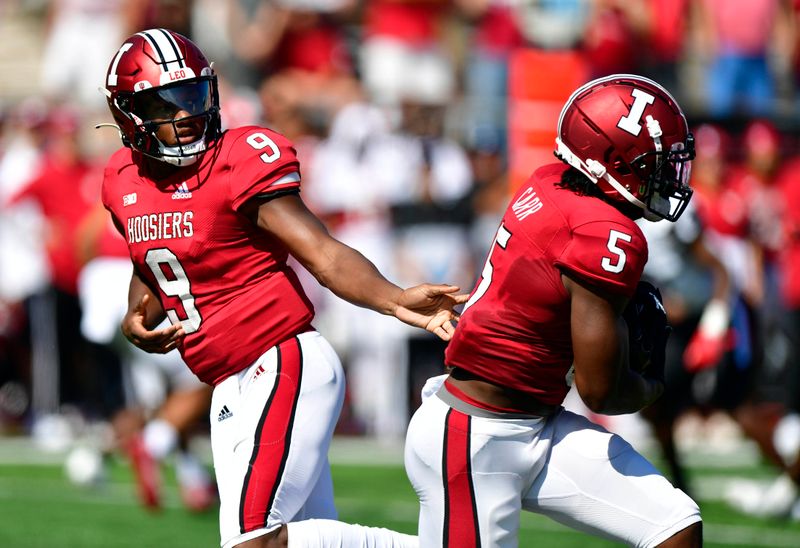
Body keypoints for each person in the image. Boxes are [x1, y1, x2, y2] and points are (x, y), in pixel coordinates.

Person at [99, 28, 466, 548]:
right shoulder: (121, 179)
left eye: (192, 96)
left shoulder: (237, 159)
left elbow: (322, 252)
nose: (184, 114)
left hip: (281, 359)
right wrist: (136, 313)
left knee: (254, 541)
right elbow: (156, 257)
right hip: (227, 383)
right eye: (164, 103)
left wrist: (394, 299)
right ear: (128, 114)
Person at [404, 74, 704, 547]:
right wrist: (654, 384)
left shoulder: (549, 181)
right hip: (477, 434)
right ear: (611, 162)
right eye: (654, 164)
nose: (665, 177)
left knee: (674, 525)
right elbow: (602, 392)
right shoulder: (606, 232)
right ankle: (289, 541)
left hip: (536, 423)